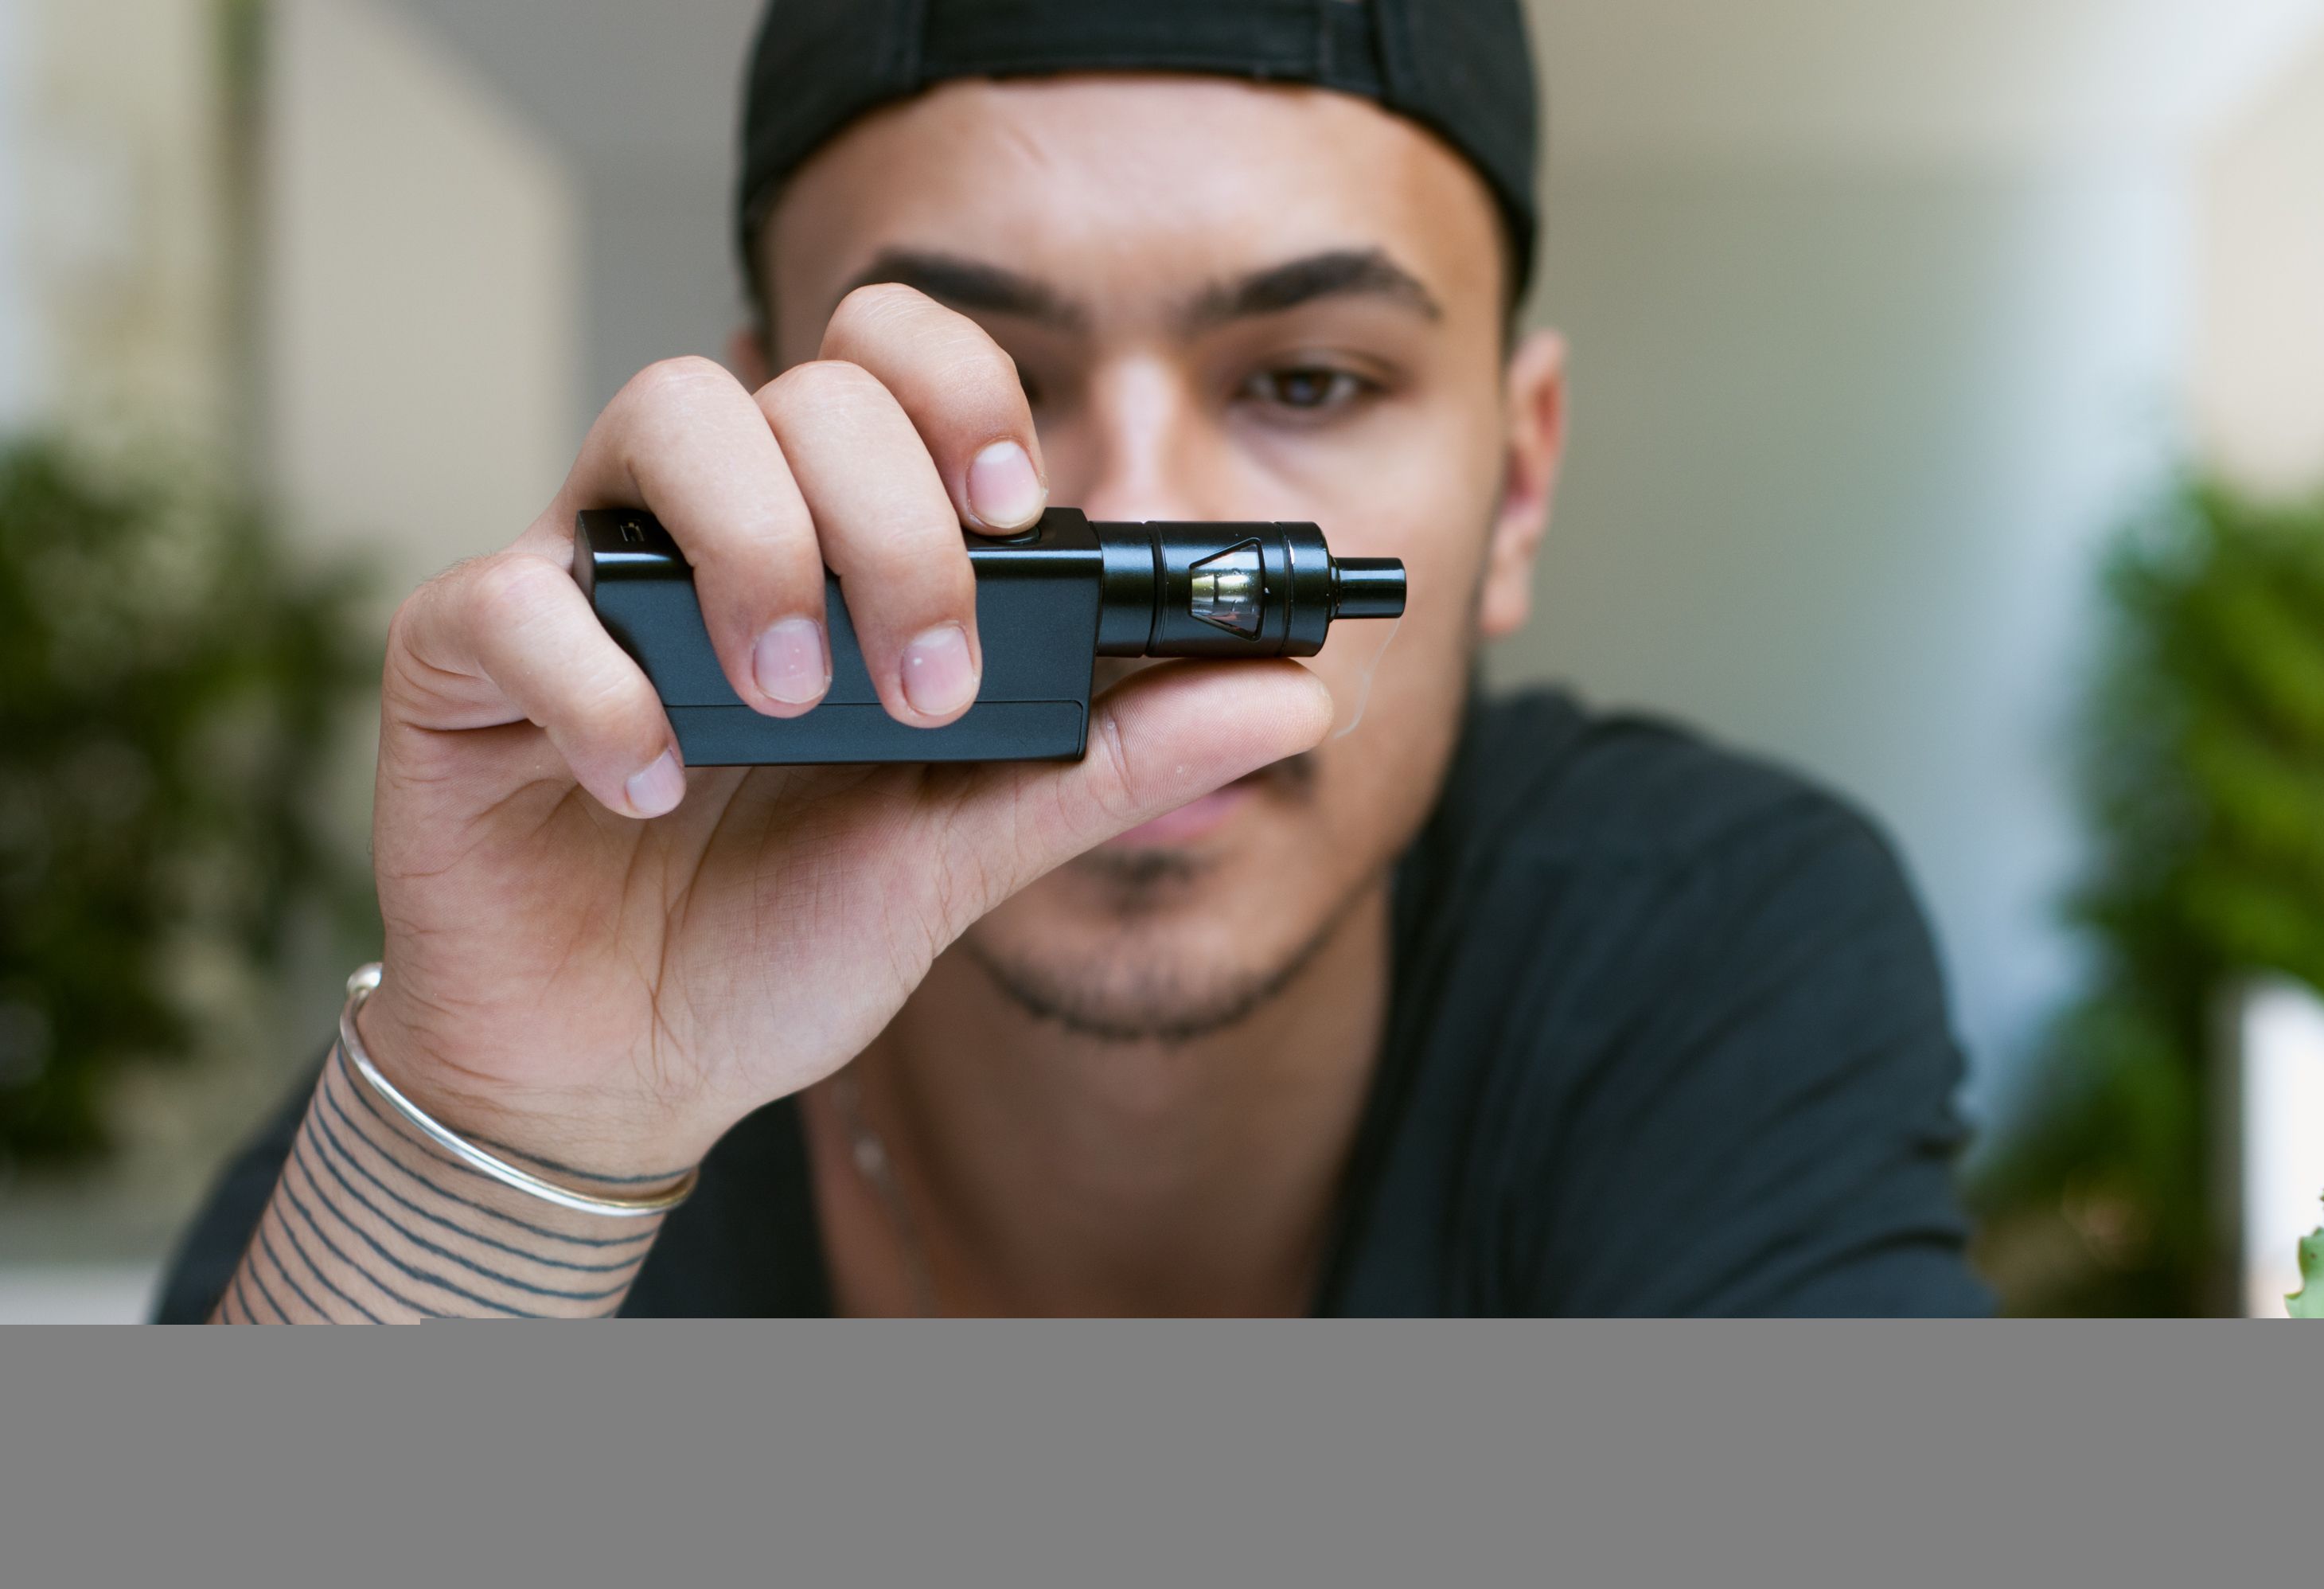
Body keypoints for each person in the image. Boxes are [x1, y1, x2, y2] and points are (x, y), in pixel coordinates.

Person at [158, 0, 1985, 1321]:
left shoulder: (1711, 946)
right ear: (770, 426)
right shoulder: (511, 1034)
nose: (1143, 547)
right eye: (988, 382)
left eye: (1310, 380)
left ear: (1513, 485)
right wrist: (514, 1126)